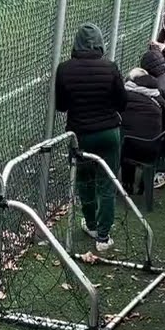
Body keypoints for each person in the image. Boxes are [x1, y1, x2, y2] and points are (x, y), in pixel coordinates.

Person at [54, 24, 126, 251]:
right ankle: (103, 238)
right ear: (100, 43)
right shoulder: (111, 68)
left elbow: (62, 105)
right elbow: (122, 102)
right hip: (108, 133)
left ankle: (92, 224)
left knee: (85, 180)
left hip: (80, 134)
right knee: (107, 182)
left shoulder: (64, 69)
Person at [119, 63, 165, 192]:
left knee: (127, 141)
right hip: (153, 148)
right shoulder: (159, 99)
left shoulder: (124, 97)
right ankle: (143, 185)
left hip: (128, 146)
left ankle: (127, 184)